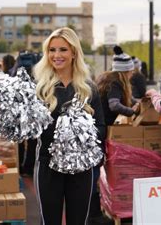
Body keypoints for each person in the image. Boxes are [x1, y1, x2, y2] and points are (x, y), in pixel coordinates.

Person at [33, 27, 105, 224]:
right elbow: (33, 129)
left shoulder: (88, 87)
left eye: (63, 50)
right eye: (52, 50)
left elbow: (100, 125)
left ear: (74, 52)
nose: (56, 55)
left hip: (81, 168)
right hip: (48, 164)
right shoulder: (39, 87)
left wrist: (93, 152)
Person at [91, 46, 139, 224]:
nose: (133, 72)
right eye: (131, 69)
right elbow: (114, 104)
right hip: (99, 128)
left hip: (94, 127)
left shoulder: (107, 78)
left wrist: (138, 103)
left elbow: (124, 100)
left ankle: (94, 210)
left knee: (94, 168)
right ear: (125, 70)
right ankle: (93, 214)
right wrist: (132, 112)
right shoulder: (116, 82)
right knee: (95, 170)